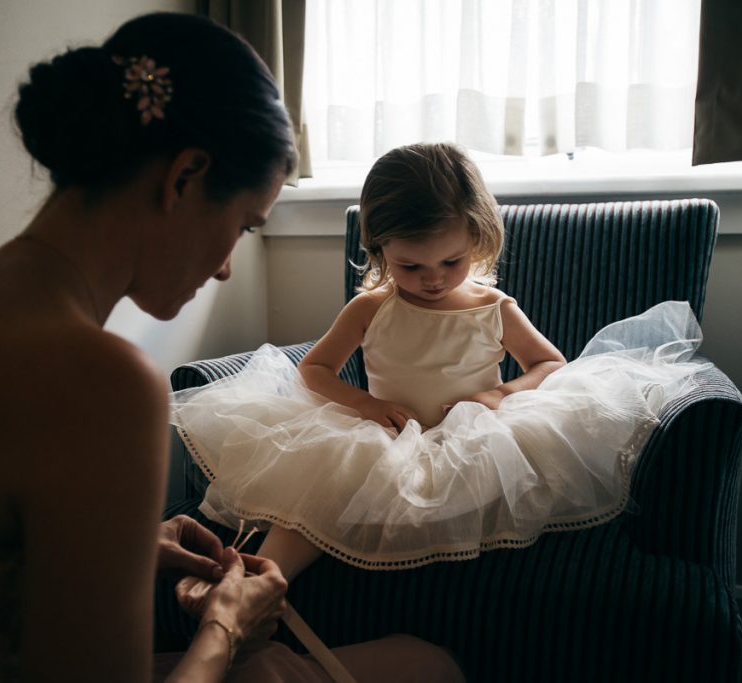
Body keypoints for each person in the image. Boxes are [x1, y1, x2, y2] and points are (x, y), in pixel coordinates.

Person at [0, 12, 463, 683]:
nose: (225, 266)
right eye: (244, 226)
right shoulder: (102, 378)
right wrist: (228, 626)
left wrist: (133, 546)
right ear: (186, 176)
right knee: (424, 666)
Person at [169, 142, 713, 582]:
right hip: (385, 435)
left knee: (492, 486)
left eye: (450, 261)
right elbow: (313, 371)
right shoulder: (370, 307)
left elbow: (550, 365)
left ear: (477, 240)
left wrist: (500, 394)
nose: (432, 278)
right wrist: (365, 403)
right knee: (325, 488)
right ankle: (264, 581)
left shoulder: (494, 308)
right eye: (409, 266)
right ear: (380, 251)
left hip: (474, 436)